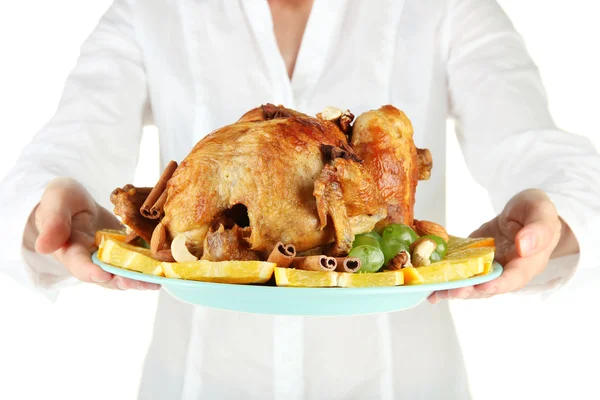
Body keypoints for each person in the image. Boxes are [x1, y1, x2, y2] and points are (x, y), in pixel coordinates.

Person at [1, 0, 599, 398]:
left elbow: (534, 143)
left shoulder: (443, 7)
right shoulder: (153, 10)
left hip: (404, 382)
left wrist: (557, 212)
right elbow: (72, 137)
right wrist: (51, 198)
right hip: (201, 382)